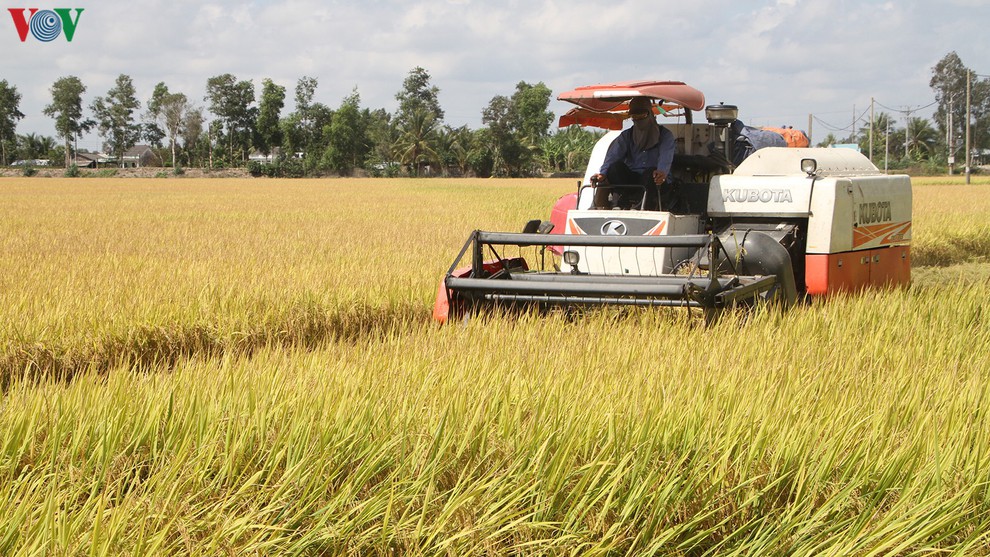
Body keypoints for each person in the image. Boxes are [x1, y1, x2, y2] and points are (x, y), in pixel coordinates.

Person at [590, 96, 675, 210]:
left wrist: (662, 172)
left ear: (650, 114)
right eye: (634, 116)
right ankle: (621, 203)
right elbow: (612, 157)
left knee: (650, 173)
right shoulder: (626, 136)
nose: (638, 119)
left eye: (642, 115)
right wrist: (603, 173)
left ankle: (641, 207)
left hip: (656, 182)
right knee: (615, 168)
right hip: (633, 180)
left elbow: (666, 157)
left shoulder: (665, 135)